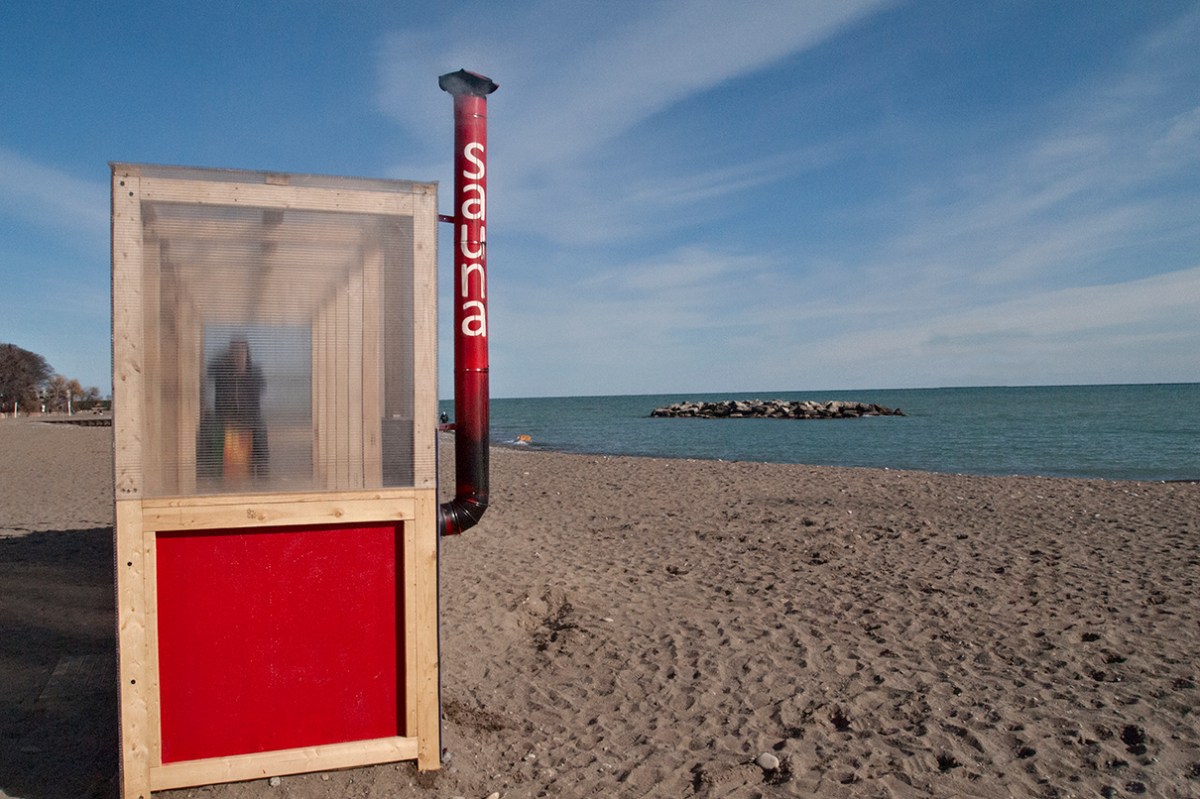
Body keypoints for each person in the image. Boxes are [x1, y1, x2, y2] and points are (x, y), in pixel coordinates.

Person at [198, 337, 268, 482]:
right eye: (234, 352)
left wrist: (244, 373)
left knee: (259, 433)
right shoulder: (222, 373)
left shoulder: (254, 373)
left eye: (242, 352)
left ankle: (262, 475)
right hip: (225, 420)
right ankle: (209, 475)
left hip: (249, 420)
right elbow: (207, 375)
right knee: (209, 433)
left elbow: (260, 391)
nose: (238, 356)